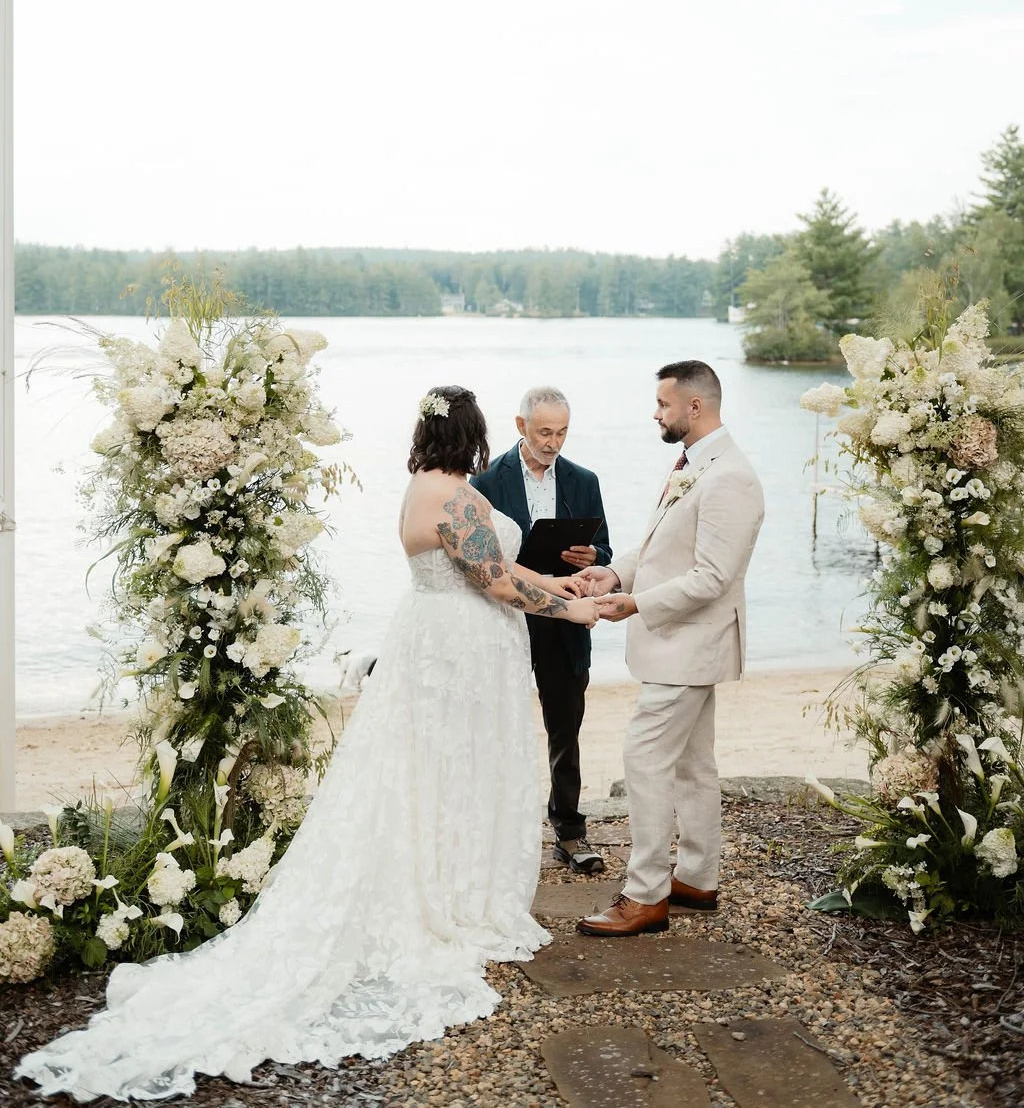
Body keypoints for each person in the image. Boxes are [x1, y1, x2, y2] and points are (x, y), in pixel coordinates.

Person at [16, 386, 597, 1101]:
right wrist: (577, 607)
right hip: (462, 654)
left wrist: (570, 586)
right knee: (458, 776)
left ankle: (444, 879)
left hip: (431, 644)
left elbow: (504, 575)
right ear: (475, 436)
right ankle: (451, 897)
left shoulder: (421, 487)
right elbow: (501, 585)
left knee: (427, 777)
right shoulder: (458, 501)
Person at [570, 361, 764, 937]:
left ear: (695, 407)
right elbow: (660, 544)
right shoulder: (692, 465)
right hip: (683, 646)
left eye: (663, 404)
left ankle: (646, 894)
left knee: (645, 761)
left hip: (689, 646)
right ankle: (699, 876)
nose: (656, 413)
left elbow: (711, 577)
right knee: (691, 764)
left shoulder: (730, 477)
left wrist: (636, 605)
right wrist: (615, 575)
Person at [471, 385, 612, 876]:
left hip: (566, 620)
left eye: (563, 432)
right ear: (520, 427)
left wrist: (593, 557)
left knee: (565, 726)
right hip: (502, 618)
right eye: (545, 432)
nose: (554, 442)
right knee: (494, 726)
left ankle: (570, 831)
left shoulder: (584, 480)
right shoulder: (484, 482)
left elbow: (605, 550)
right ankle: (491, 832)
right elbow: (479, 560)